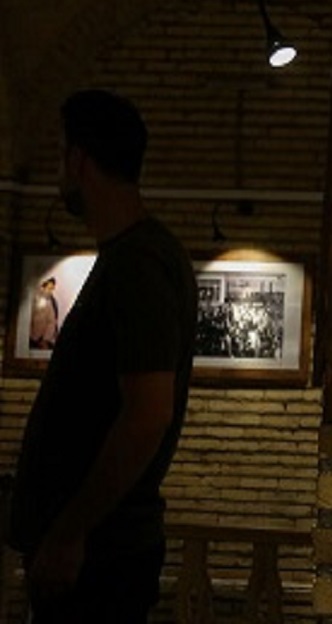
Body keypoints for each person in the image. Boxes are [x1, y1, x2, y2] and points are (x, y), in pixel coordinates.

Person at [7, 89, 198, 623]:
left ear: (79, 160)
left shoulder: (139, 263)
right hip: (96, 551)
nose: (59, 172)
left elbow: (147, 415)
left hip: (100, 557)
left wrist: (70, 532)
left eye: (60, 154)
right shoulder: (132, 258)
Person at [28, 276, 60, 349]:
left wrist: (45, 339)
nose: (51, 291)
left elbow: (52, 322)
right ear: (42, 287)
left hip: (43, 339)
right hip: (31, 338)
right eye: (49, 288)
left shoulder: (51, 302)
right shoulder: (32, 300)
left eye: (52, 289)